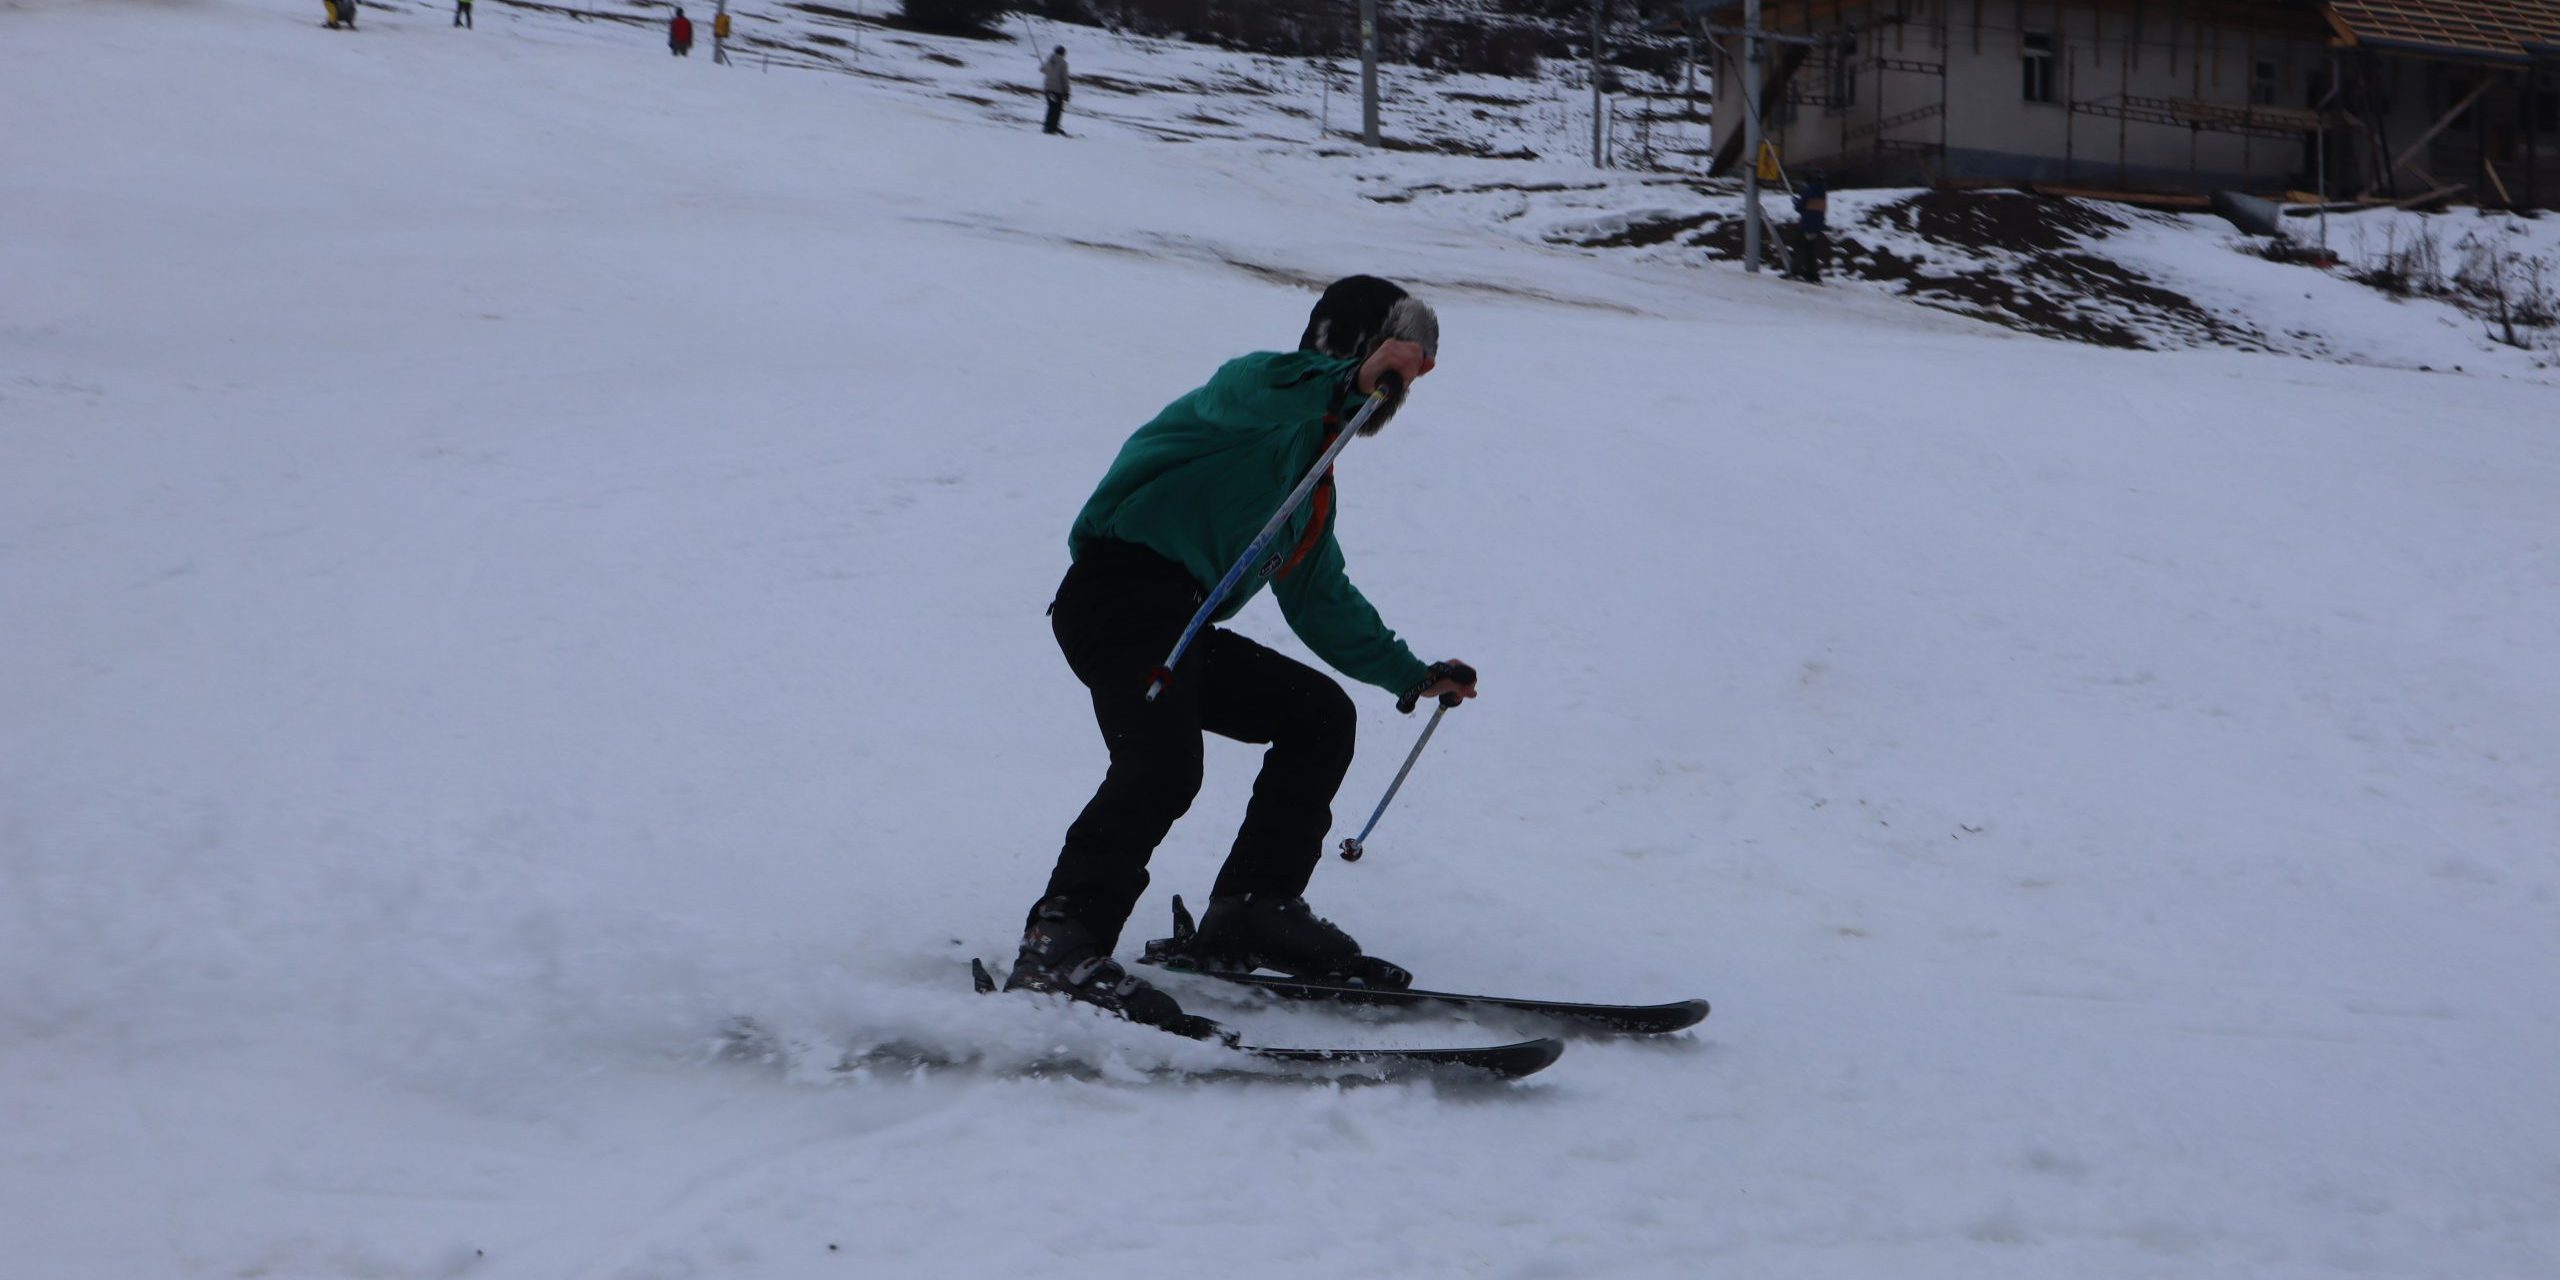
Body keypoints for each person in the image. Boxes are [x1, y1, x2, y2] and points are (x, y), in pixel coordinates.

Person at [1003, 276, 1477, 1037]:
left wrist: (1412, 675)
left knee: (1318, 713)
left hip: (1181, 622)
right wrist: (1345, 377)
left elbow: (1321, 599)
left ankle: (1251, 912)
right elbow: (1248, 388)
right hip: (1117, 596)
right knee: (1163, 766)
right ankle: (1060, 943)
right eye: (1385, 363)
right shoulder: (1254, 400)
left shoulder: (1310, 486)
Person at [1789, 172, 1830, 284]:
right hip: (1817, 226)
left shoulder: (1808, 190)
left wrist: (1796, 201)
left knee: (1800, 248)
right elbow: (1815, 209)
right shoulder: (1823, 193)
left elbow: (1800, 208)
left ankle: (1795, 272)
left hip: (1805, 224)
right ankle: (1812, 275)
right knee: (1811, 251)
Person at [1039, 45, 1070, 135]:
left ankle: (1048, 127)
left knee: (1051, 108)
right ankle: (1053, 127)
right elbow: (1064, 78)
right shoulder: (1063, 63)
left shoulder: (1049, 60)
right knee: (1057, 109)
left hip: (1047, 89)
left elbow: (1042, 70)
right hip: (1057, 90)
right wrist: (1067, 92)